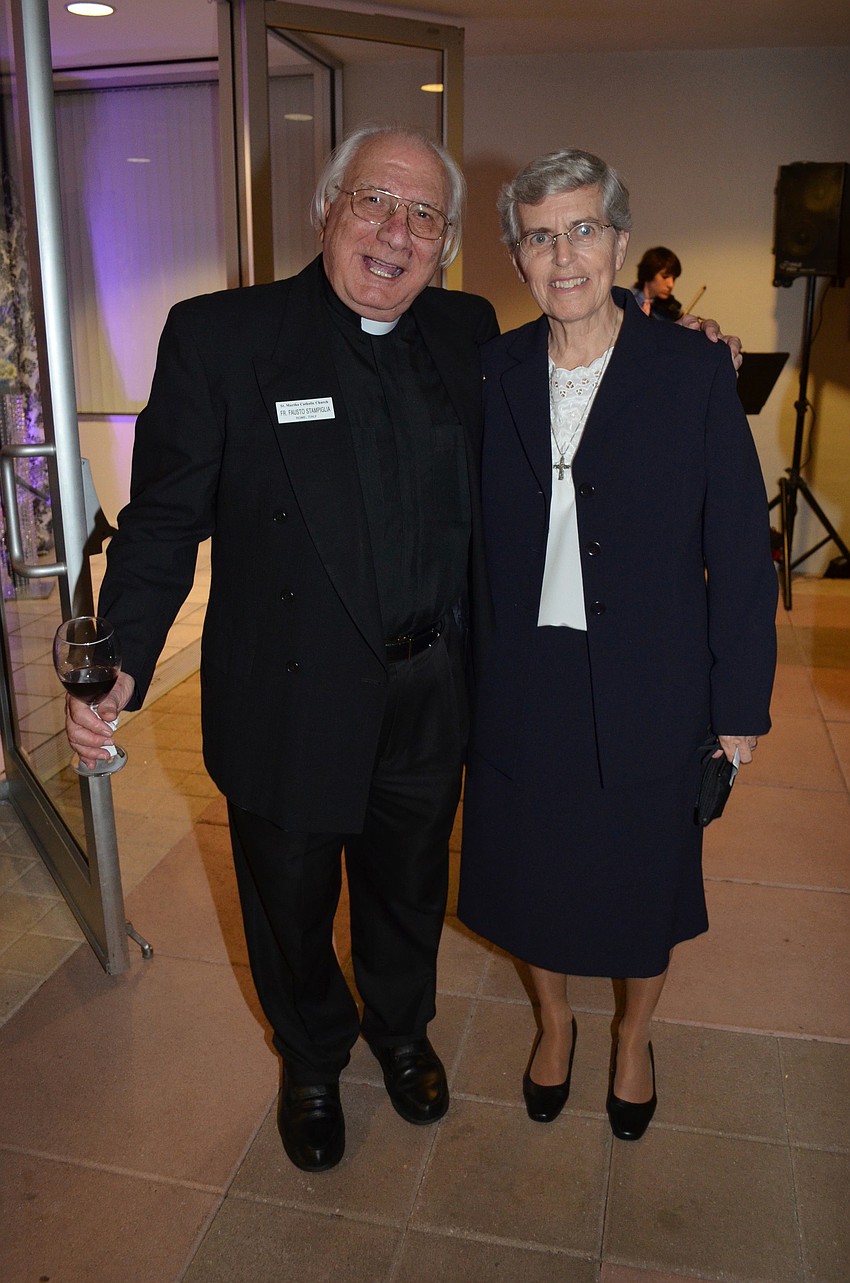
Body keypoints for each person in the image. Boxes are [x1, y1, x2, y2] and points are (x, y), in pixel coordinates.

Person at [64, 128, 739, 1174]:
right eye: (374, 202)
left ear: (452, 244)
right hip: (288, 693)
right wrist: (120, 656)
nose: (397, 231)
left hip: (431, 684)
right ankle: (312, 1057)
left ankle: (400, 1027)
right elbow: (160, 525)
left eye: (425, 215)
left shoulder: (467, 333)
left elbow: (589, 372)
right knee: (289, 901)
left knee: (408, 885)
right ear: (327, 208)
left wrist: (680, 341)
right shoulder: (221, 337)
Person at [457, 149, 777, 1142]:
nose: (564, 255)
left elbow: (738, 545)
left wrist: (738, 711)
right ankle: (554, 1021)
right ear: (515, 255)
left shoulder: (687, 372)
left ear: (621, 244)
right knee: (530, 873)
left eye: (583, 229)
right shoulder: (492, 369)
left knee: (643, 880)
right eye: (540, 235)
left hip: (652, 678)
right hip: (521, 673)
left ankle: (632, 1035)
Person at [632, 244, 683, 320]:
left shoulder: (669, 311)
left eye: (674, 279)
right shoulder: (629, 303)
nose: (671, 285)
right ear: (649, 273)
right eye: (665, 277)